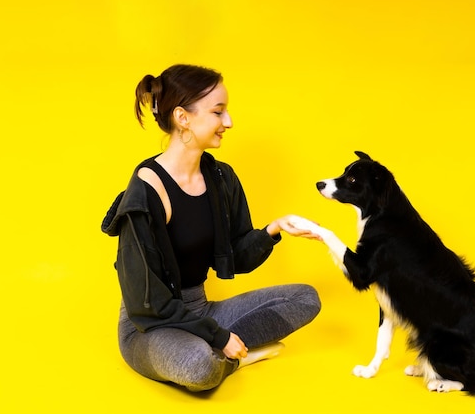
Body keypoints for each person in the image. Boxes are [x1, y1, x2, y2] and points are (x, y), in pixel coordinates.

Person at [101, 64, 322, 392]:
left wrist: (273, 229)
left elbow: (238, 256)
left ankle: (219, 349)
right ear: (183, 117)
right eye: (218, 112)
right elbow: (146, 303)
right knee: (199, 365)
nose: (229, 122)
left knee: (306, 298)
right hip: (149, 328)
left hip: (201, 310)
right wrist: (220, 337)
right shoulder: (145, 192)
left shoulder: (221, 178)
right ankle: (231, 357)